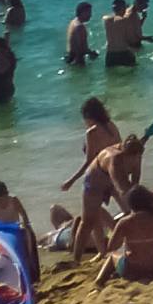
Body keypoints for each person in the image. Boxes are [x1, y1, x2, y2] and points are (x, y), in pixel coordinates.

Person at [59, 100, 121, 258]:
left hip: (96, 177)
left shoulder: (92, 132)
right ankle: (103, 252)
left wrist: (71, 181)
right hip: (113, 175)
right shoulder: (111, 126)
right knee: (100, 213)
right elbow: (118, 151)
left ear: (88, 116)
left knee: (87, 221)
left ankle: (76, 258)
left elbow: (89, 161)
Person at [93, 187, 153, 287]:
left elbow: (111, 247)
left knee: (113, 256)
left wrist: (125, 243)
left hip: (132, 270)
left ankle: (99, 281)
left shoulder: (125, 222)